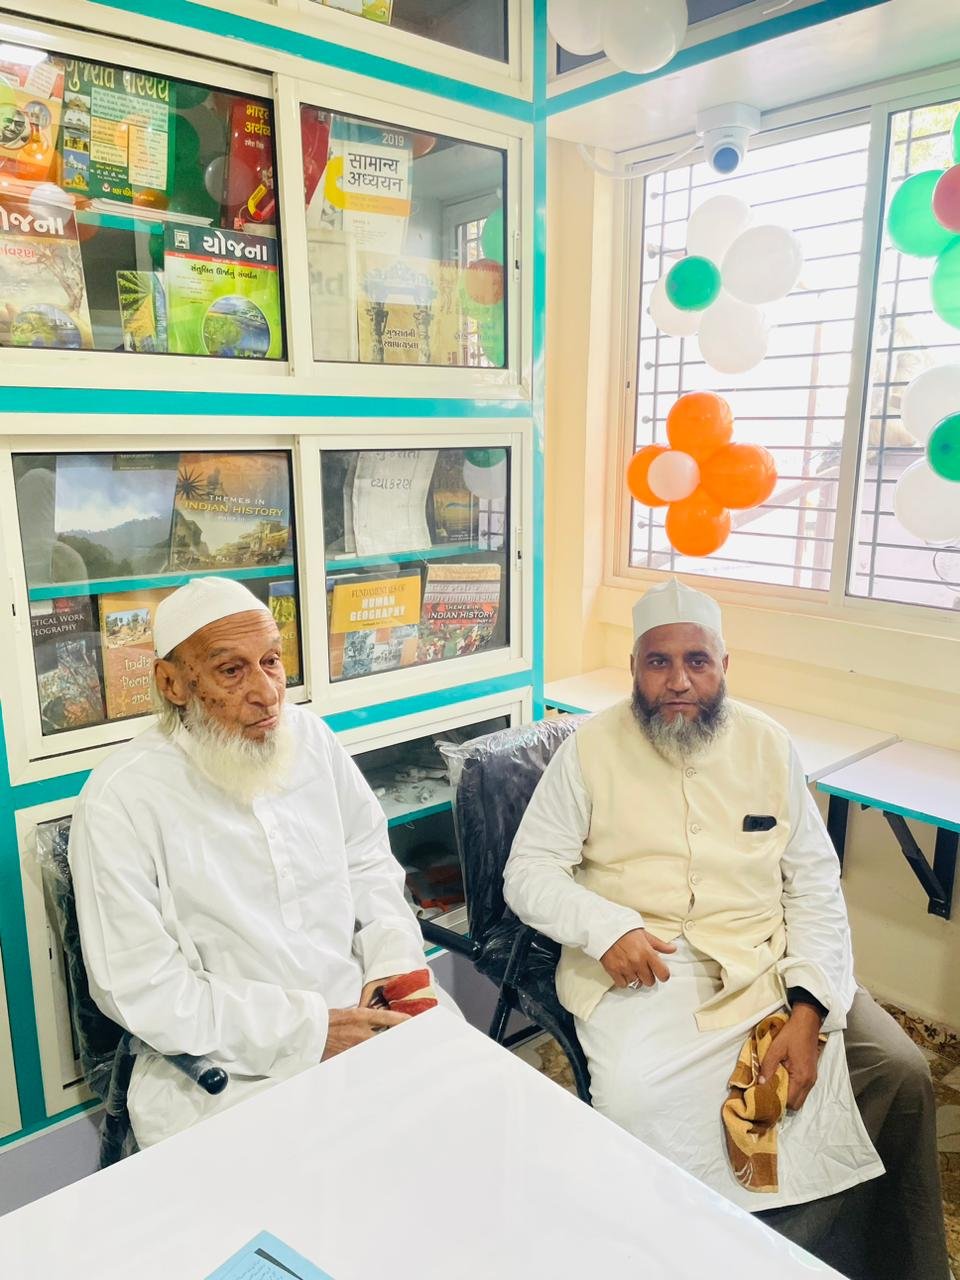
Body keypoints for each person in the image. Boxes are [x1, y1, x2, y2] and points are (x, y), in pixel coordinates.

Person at [504, 578, 949, 1280]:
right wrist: (605, 926)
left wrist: (809, 1009)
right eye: (659, 662)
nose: (679, 680)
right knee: (639, 1105)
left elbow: (814, 885)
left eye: (697, 661)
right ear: (634, 668)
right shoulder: (587, 750)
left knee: (898, 1070)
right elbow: (528, 872)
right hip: (648, 970)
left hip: (768, 960)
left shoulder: (769, 746)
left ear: (724, 666)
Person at [70, 576, 441, 1149]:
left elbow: (368, 860)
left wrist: (392, 961)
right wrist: (312, 1031)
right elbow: (143, 990)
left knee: (461, 1135)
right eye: (231, 670)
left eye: (271, 661)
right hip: (226, 1070)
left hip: (362, 1004)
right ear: (171, 683)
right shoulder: (120, 797)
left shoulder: (310, 738)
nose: (266, 693)